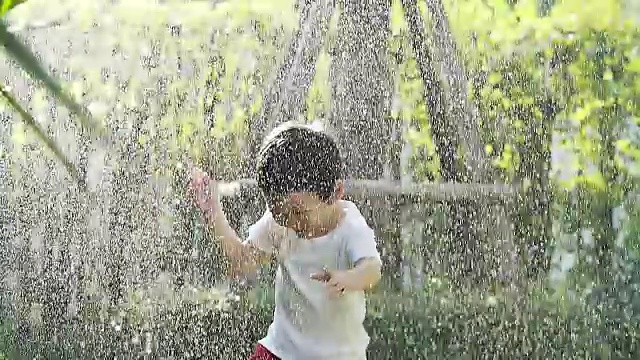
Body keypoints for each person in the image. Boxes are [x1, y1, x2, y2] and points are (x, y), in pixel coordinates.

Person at [188, 122, 382, 360]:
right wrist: (213, 214)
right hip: (281, 351)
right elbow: (241, 263)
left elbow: (372, 269)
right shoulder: (279, 223)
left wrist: (348, 278)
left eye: (299, 213)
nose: (290, 224)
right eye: (280, 214)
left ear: (335, 192)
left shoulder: (349, 226)